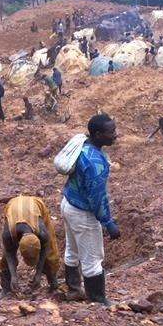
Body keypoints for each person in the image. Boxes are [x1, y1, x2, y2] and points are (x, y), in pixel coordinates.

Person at [60, 114, 120, 305]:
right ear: (98, 134)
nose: (115, 135)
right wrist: (109, 223)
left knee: (72, 250)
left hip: (68, 204)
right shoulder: (96, 162)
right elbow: (97, 198)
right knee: (93, 257)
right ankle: (98, 299)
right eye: (111, 132)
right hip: (82, 213)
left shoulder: (83, 148)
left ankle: (74, 289)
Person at [0, 195, 60, 299]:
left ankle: (54, 284)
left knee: (51, 251)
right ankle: (6, 288)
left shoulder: (42, 232)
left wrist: (38, 274)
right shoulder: (8, 233)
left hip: (36, 205)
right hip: (13, 205)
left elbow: (45, 248)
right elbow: (9, 253)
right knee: (6, 258)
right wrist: (13, 276)